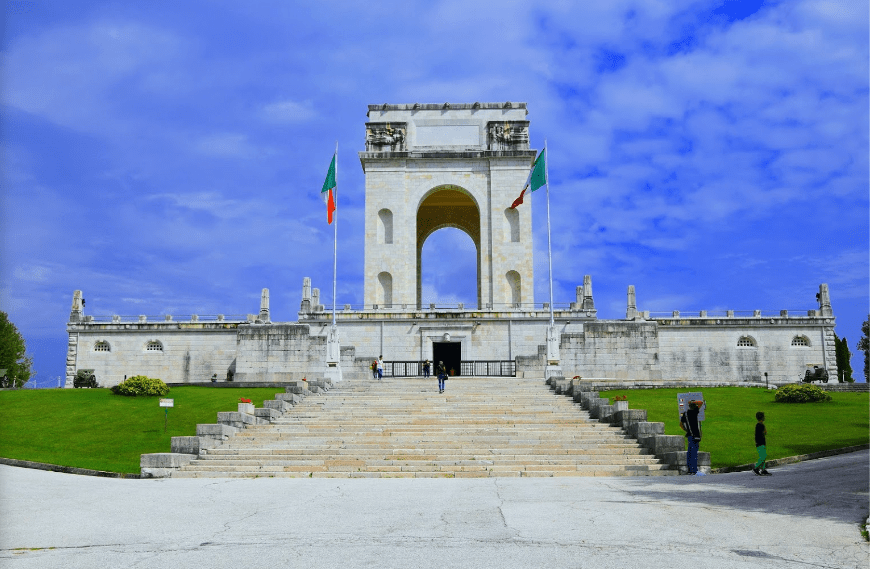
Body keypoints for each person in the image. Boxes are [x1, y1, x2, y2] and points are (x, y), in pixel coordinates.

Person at [680, 400, 704, 476]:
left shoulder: (685, 414)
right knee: (694, 453)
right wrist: (693, 401)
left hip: (689, 435)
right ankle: (694, 470)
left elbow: (681, 424)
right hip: (695, 436)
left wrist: (687, 430)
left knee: (690, 452)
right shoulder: (694, 412)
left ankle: (690, 470)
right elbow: (701, 403)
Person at [754, 411, 772, 476]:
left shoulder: (758, 425)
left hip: (759, 443)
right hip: (761, 443)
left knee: (763, 456)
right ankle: (756, 468)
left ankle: (763, 469)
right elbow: (765, 433)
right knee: (763, 456)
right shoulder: (761, 425)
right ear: (762, 418)